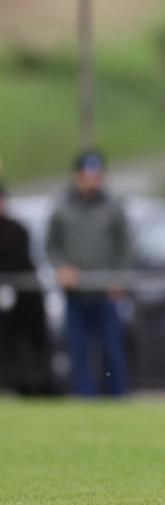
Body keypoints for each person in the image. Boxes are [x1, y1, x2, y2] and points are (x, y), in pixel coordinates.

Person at [47, 151, 130, 397]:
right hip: (75, 293)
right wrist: (61, 267)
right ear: (78, 176)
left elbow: (124, 247)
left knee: (111, 349)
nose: (92, 180)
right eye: (87, 175)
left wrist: (119, 276)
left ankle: (116, 398)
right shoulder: (63, 208)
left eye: (97, 175)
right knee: (77, 350)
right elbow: (52, 247)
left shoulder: (113, 207)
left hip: (106, 292)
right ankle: (84, 398)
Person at [0, 181, 53, 394]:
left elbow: (23, 264)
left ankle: (34, 385)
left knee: (29, 346)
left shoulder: (17, 230)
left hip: (23, 300)